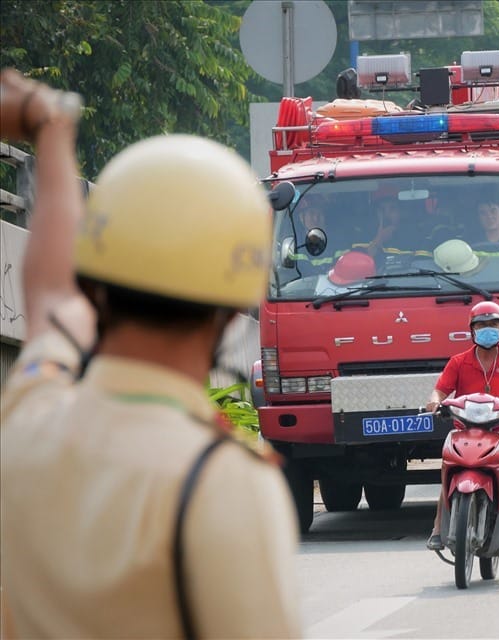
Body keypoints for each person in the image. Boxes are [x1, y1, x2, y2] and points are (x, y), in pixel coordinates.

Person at [0, 69, 300, 637]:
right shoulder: (223, 481)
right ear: (228, 309)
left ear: (98, 286)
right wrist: (51, 125)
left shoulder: (30, 410)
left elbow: (50, 292)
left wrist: (51, 127)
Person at [424, 301, 499, 549]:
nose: (488, 329)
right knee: (450, 463)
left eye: (493, 324)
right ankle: (437, 526)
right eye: (482, 325)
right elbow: (439, 391)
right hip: (467, 429)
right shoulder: (458, 361)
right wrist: (434, 403)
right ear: (472, 330)